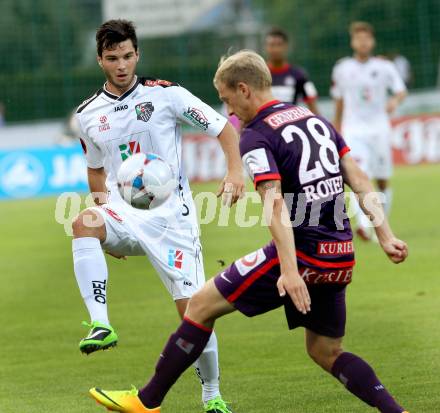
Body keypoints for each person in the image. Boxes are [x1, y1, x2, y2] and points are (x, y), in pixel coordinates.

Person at [89, 50, 409, 413]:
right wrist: (385, 235)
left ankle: (146, 401)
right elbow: (361, 179)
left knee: (200, 305)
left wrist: (290, 272)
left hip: (301, 252)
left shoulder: (256, 134)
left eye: (227, 100)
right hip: (340, 253)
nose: (229, 112)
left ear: (243, 89)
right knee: (325, 350)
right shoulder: (314, 119)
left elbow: (274, 204)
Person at [73, 19, 244, 413]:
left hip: (173, 221)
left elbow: (224, 129)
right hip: (123, 212)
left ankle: (211, 394)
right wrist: (105, 218)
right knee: (83, 223)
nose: (121, 65)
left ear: (138, 55)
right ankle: (101, 324)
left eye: (128, 56)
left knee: (195, 313)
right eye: (113, 58)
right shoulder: (88, 114)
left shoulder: (167, 95)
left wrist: (235, 171)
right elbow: (95, 169)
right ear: (100, 59)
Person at [332, 22, 407, 241]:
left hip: (379, 128)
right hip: (354, 129)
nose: (362, 42)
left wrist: (394, 101)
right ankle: (364, 224)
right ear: (352, 41)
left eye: (366, 38)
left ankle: (380, 225)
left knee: (382, 180)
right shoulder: (342, 68)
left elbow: (401, 91)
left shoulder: (384, 66)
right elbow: (338, 99)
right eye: (358, 38)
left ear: (372, 42)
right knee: (359, 174)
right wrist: (336, 126)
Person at [265, 27, 319, 114]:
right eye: (271, 45)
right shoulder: (259, 75)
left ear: (286, 46)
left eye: (279, 45)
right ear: (266, 47)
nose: (275, 49)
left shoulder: (299, 75)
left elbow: (313, 107)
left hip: (289, 125)